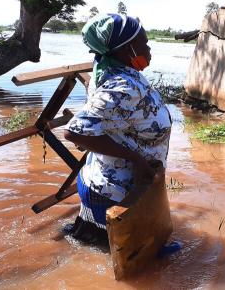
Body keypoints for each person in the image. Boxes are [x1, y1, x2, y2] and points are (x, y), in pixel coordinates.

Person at [63, 13, 172, 245]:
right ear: (128, 48)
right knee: (116, 260)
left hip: (110, 184)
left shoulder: (110, 69)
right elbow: (74, 132)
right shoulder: (121, 86)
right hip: (115, 194)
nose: (149, 48)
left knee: (89, 242)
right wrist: (136, 159)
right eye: (144, 42)